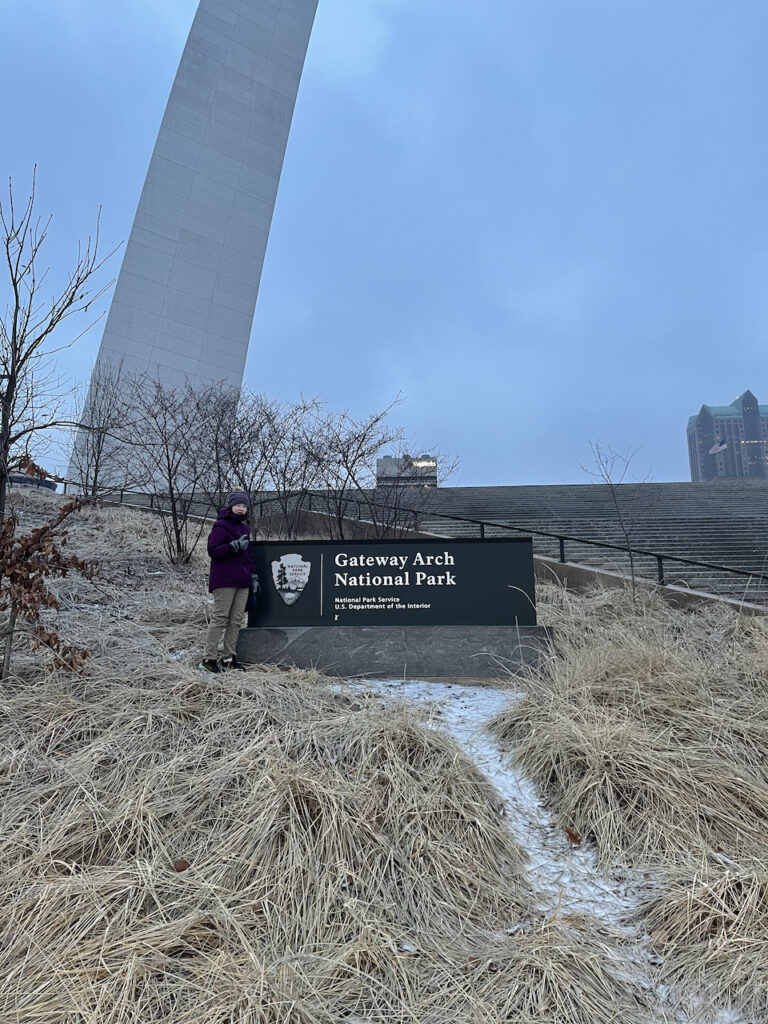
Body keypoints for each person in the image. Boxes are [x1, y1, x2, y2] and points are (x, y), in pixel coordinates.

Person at [199, 490, 253, 673]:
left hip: (242, 580)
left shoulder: (245, 529)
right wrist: (233, 546)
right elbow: (213, 550)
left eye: (244, 506)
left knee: (236, 620)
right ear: (230, 506)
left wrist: (253, 575)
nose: (241, 509)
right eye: (238, 505)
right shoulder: (221, 526)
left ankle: (229, 658)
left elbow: (248, 556)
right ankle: (208, 659)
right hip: (224, 580)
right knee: (220, 618)